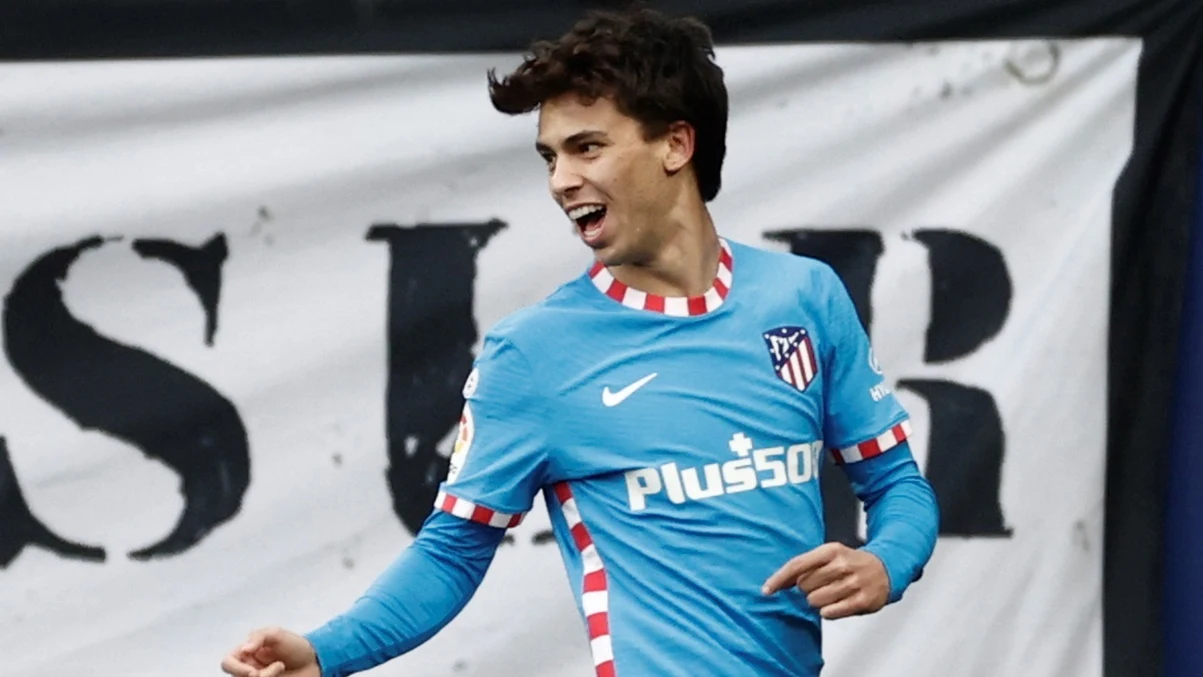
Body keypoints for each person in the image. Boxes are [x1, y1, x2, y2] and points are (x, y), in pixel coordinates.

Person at [219, 6, 939, 677]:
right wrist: (324, 651)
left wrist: (885, 561)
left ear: (675, 144)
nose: (562, 180)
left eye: (586, 147)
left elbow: (897, 484)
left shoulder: (803, 297)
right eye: (549, 157)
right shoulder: (533, 353)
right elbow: (451, 550)